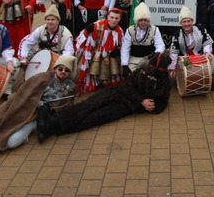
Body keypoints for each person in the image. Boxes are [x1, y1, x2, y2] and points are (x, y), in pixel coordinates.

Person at [36, 52, 171, 142]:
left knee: (94, 117)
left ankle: (54, 127)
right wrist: (141, 100)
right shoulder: (141, 71)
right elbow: (127, 85)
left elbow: (163, 101)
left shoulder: (164, 82)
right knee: (88, 105)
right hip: (118, 93)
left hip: (126, 106)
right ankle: (54, 119)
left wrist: (152, 106)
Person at [74, 8, 125, 93]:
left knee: (114, 78)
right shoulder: (97, 25)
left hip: (109, 57)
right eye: (112, 17)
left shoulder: (120, 31)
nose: (114, 20)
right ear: (107, 16)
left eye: (116, 18)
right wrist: (86, 32)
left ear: (119, 19)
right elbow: (84, 40)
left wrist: (118, 50)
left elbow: (122, 45)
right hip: (95, 54)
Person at [121, 3, 165, 73]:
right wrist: (125, 65)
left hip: (149, 60)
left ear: (148, 20)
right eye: (141, 20)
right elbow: (125, 48)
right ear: (137, 21)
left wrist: (154, 57)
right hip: (133, 61)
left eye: (145, 20)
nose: (143, 22)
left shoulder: (155, 29)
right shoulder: (130, 30)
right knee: (131, 76)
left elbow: (160, 45)